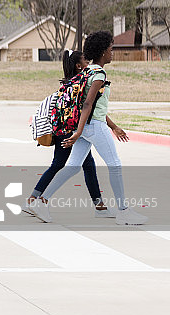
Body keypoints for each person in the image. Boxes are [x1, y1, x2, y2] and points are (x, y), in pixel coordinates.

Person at [32, 31, 148, 225]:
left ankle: (41, 201)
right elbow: (87, 103)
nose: (112, 53)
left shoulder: (86, 71)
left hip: (86, 126)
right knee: (115, 164)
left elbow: (91, 105)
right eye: (111, 49)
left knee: (73, 166)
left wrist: (88, 129)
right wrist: (78, 132)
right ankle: (123, 211)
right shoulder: (99, 73)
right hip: (93, 126)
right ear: (103, 51)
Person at [23, 51, 112, 218]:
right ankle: (33, 200)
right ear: (79, 65)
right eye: (86, 60)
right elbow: (89, 106)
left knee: (86, 165)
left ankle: (100, 206)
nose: (89, 62)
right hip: (70, 131)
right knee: (61, 164)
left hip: (62, 128)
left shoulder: (69, 83)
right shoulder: (81, 83)